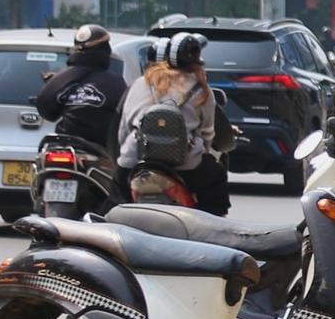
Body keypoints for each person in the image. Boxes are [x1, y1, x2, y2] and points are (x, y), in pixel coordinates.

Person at [118, 32, 229, 215]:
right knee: (216, 181)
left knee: (116, 201)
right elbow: (207, 133)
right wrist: (204, 152)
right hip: (186, 164)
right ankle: (213, 231)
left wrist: (128, 152)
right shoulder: (201, 88)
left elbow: (124, 129)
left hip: (135, 160)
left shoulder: (141, 83)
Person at [35, 23, 129, 148]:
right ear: (106, 50)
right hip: (98, 150)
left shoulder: (59, 80)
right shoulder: (117, 84)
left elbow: (46, 112)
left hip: (66, 146)